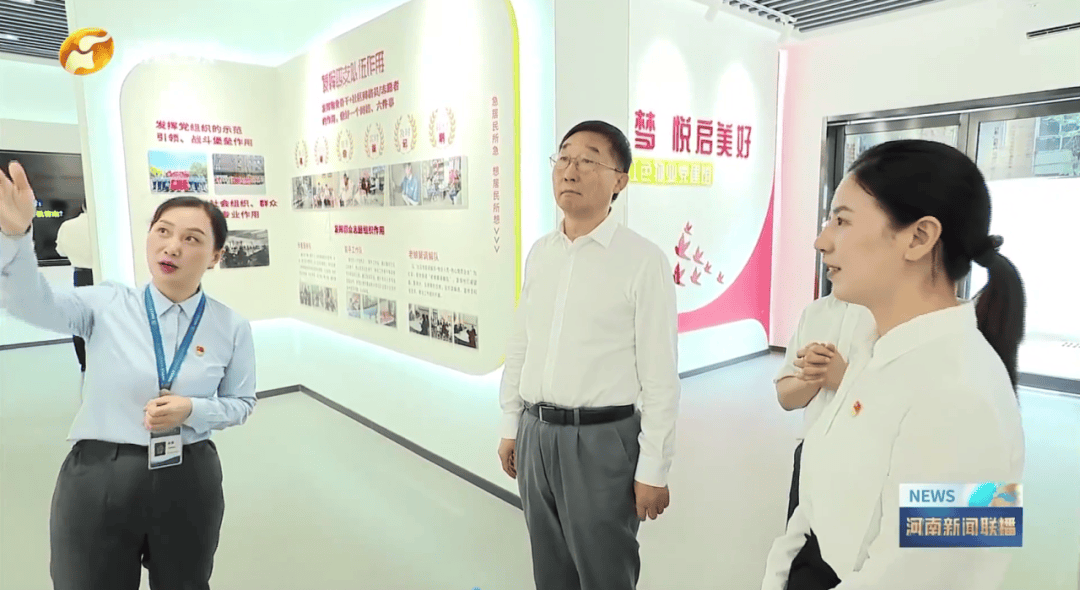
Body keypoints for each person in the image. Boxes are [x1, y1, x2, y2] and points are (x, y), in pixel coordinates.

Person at [761, 140, 1025, 590]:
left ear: (919, 238)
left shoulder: (967, 395)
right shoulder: (876, 348)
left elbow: (933, 577)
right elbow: (814, 501)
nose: (822, 241)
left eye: (842, 221)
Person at [0, 161, 257, 590]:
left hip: (189, 475)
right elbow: (30, 303)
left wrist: (193, 410)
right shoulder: (106, 304)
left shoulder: (230, 326)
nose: (172, 247)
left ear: (215, 256)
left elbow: (242, 403)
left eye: (191, 239)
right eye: (163, 231)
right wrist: (14, 237)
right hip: (101, 473)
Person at [498, 120, 680, 590]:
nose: (570, 170)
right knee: (550, 571)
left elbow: (660, 376)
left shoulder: (643, 261)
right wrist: (511, 425)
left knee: (605, 573)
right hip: (536, 435)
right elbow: (521, 345)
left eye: (588, 160)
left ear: (620, 180)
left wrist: (653, 468)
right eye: (563, 158)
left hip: (602, 442)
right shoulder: (541, 253)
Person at [774, 294, 876, 521]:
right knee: (802, 539)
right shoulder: (815, 312)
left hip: (870, 465)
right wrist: (817, 374)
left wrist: (843, 378)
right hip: (811, 456)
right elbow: (785, 397)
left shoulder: (896, 315)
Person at [55, 203, 96, 374]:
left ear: (82, 206)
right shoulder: (101, 225)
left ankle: (84, 363)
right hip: (103, 274)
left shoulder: (67, 226)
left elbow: (60, 251)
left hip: (80, 276)